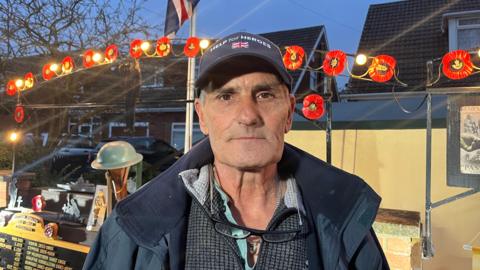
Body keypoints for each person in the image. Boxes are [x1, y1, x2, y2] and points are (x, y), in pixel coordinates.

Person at [83, 32, 389, 270]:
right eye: (226, 96)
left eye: (265, 94)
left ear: (289, 113)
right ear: (202, 116)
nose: (248, 115)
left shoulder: (346, 222)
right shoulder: (132, 230)